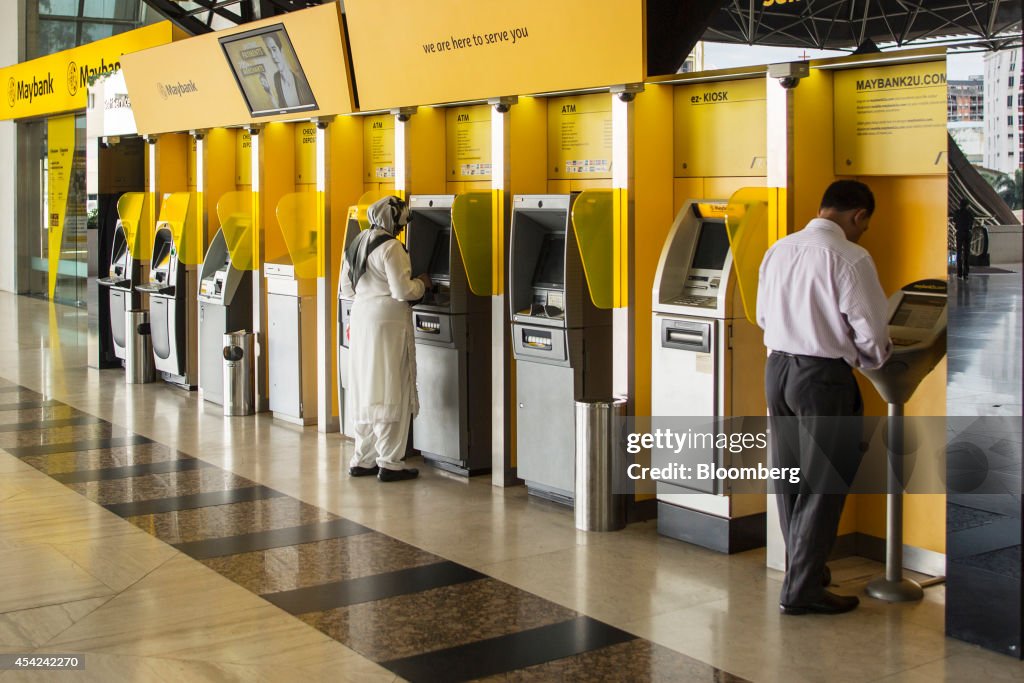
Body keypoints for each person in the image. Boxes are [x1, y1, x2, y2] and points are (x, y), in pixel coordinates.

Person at [756, 180, 892, 616]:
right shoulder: (850, 257)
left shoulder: (780, 249)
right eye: (865, 224)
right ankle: (801, 590)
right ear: (858, 215)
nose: (864, 232)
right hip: (822, 378)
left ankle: (806, 570)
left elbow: (761, 314)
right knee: (825, 483)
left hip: (777, 369)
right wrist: (873, 360)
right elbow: (871, 329)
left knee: (791, 477)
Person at [340, 196, 430, 482]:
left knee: (367, 386)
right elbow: (402, 290)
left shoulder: (355, 244)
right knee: (393, 387)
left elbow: (346, 288)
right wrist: (423, 285)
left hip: (362, 318)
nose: (402, 229)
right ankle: (390, 462)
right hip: (388, 324)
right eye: (402, 222)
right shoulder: (391, 247)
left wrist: (368, 298)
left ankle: (362, 459)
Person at [265, 33, 313, 109]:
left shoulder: (301, 78)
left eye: (274, 49)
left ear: (282, 50)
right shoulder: (276, 78)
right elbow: (282, 108)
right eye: (269, 51)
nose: (273, 56)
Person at [953, 198, 974, 281]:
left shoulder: (957, 212)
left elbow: (954, 221)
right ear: (967, 205)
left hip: (959, 233)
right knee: (966, 253)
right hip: (967, 233)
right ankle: (966, 274)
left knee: (958, 252)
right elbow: (972, 222)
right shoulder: (970, 213)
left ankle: (959, 273)